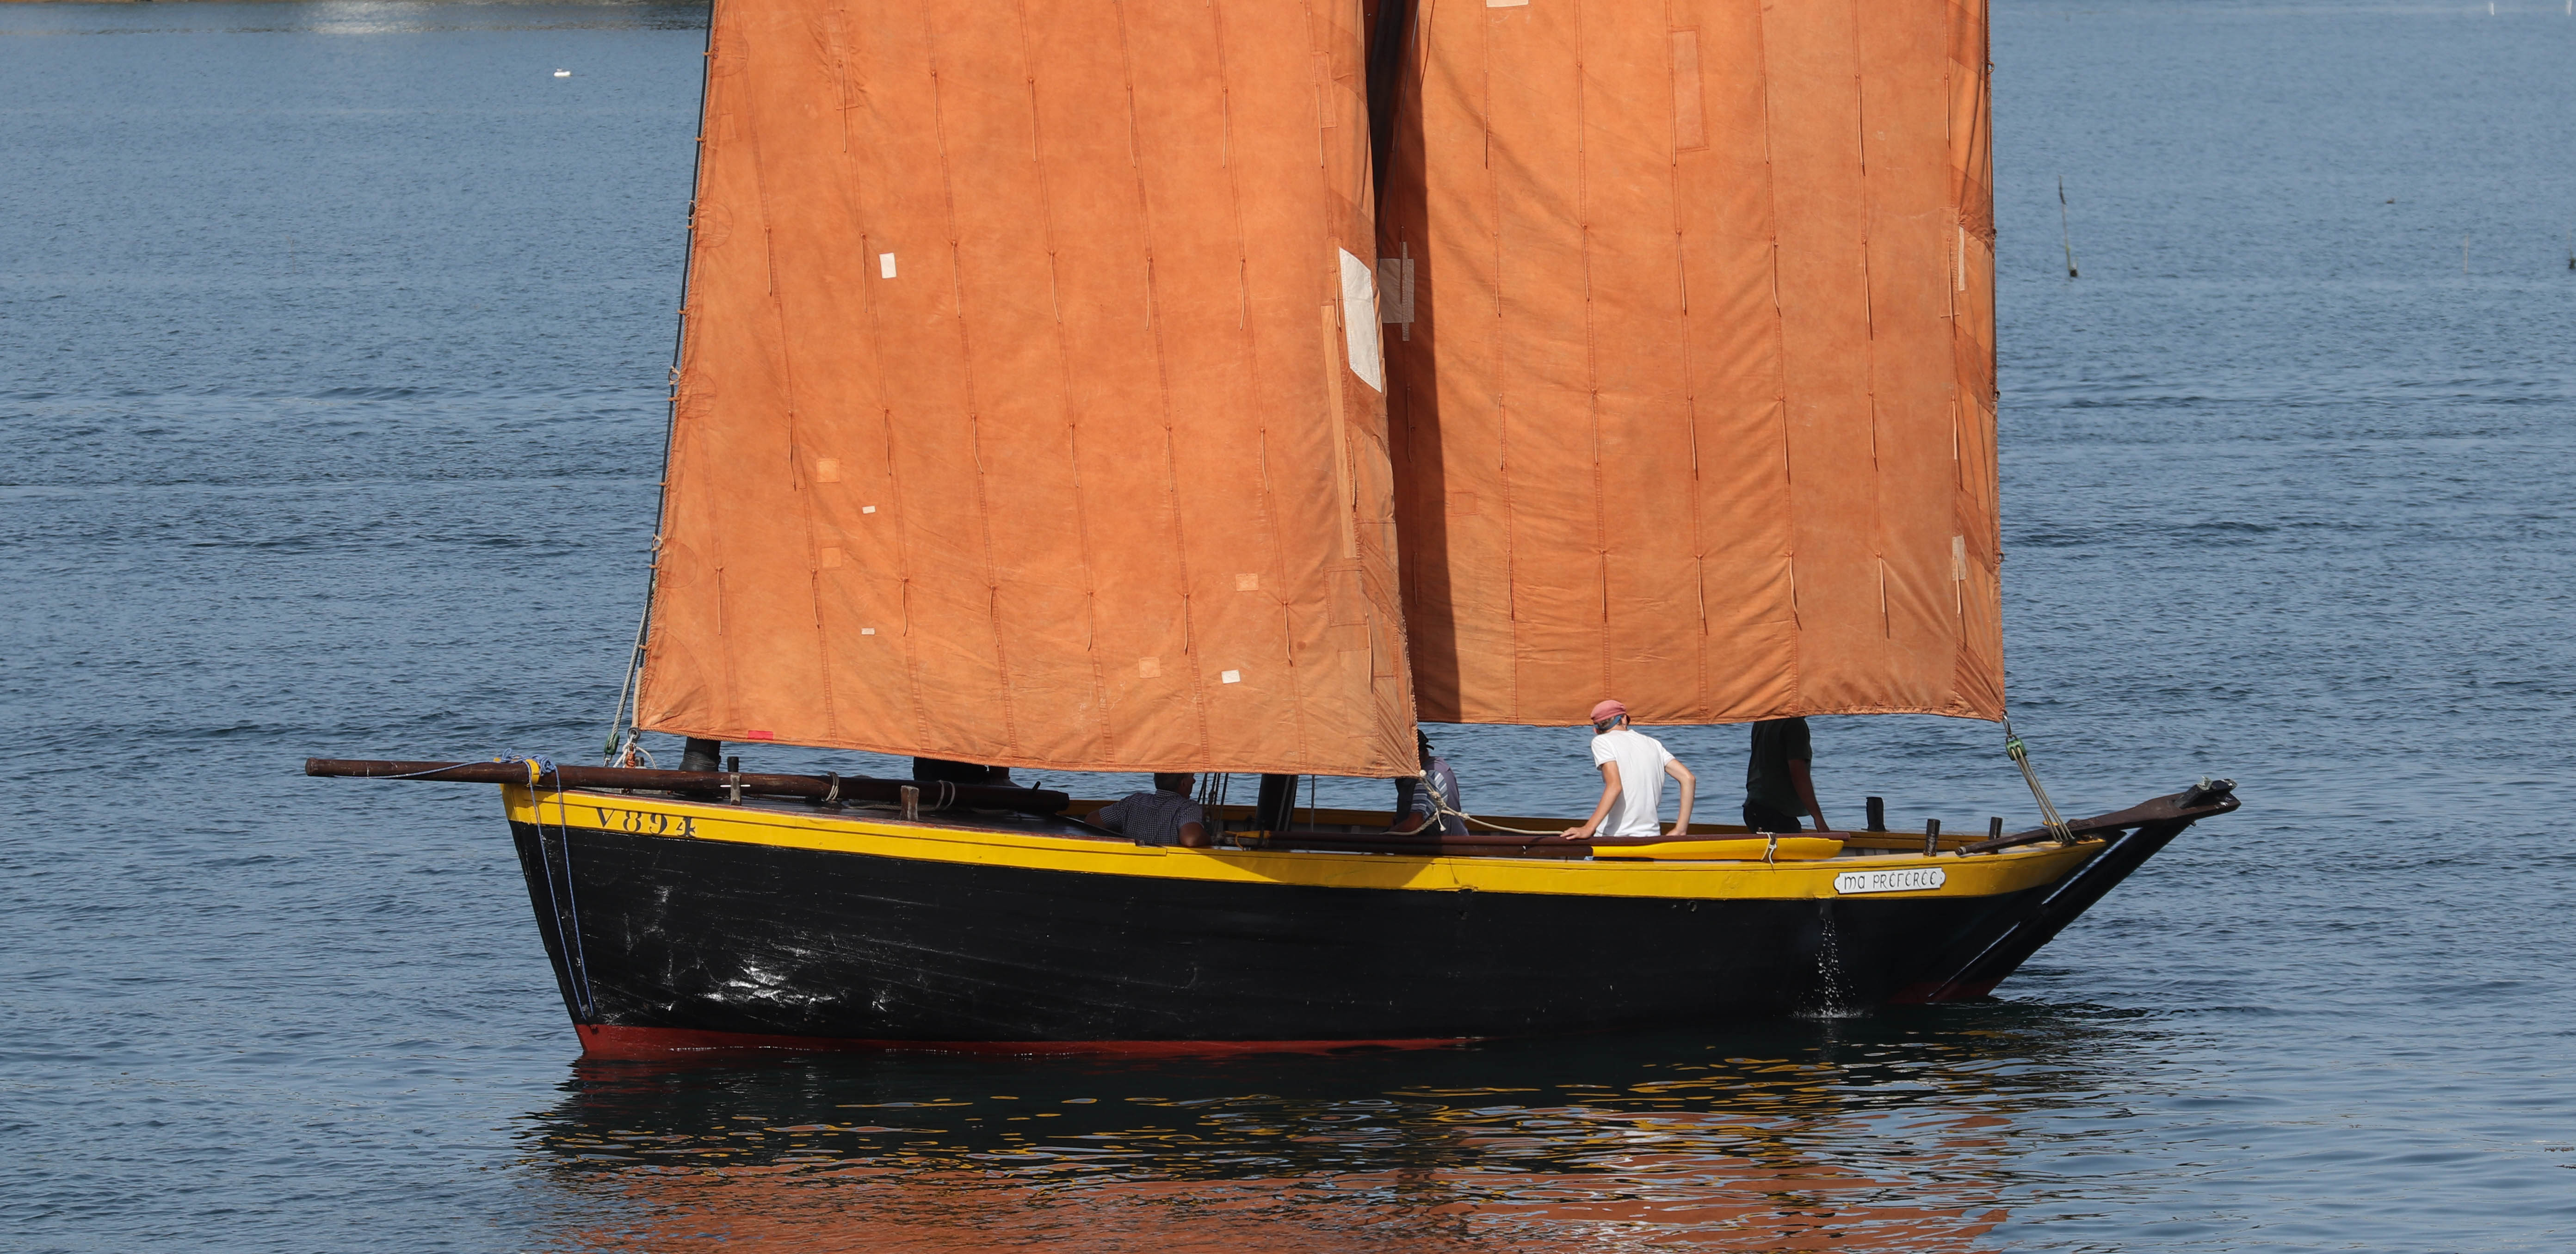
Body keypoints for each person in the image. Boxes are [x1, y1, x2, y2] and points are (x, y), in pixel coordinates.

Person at [1558, 700, 1695, 840]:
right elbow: (1688, 778)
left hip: (1615, 837)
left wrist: (1588, 828)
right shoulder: (1653, 743)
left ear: (1596, 730)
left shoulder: (1602, 741)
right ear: (1624, 719)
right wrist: (1680, 829)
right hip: (1650, 837)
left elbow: (1615, 786)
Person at [1743, 717, 1828, 833]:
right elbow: (1798, 772)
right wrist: (1819, 819)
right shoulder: (1795, 723)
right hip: (1775, 810)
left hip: (1754, 805)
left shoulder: (1763, 719)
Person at [1092, 772, 1211, 848]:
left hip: (1131, 864)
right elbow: (1191, 839)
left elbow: (1092, 820)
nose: (1194, 781)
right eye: (1192, 777)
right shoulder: (1187, 807)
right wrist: (1210, 839)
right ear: (1183, 783)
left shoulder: (1133, 801)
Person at [1391, 730, 1468, 836]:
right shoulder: (1441, 767)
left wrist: (1386, 835)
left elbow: (1413, 827)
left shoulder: (1428, 779)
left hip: (1447, 845)